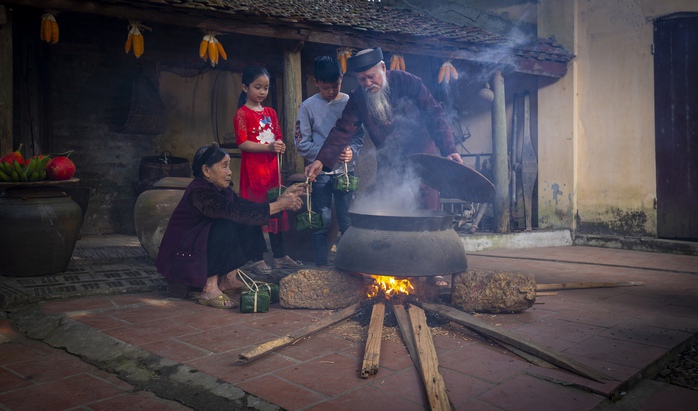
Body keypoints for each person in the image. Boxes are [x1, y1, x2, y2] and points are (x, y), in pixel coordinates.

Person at [304, 47, 462, 286]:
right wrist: (320, 160)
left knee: (426, 209)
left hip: (422, 157)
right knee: (393, 208)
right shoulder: (358, 98)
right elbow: (342, 130)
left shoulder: (408, 82)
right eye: (362, 79)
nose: (368, 83)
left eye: (372, 76)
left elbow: (435, 114)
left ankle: (433, 270)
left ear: (383, 69)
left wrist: (449, 149)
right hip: (389, 160)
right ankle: (398, 264)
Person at [156, 143, 305, 309]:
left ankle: (229, 279)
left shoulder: (222, 190)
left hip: (199, 249)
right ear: (206, 171)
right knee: (225, 222)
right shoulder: (198, 191)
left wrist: (280, 201)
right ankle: (209, 288)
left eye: (229, 166)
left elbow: (246, 208)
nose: (229, 172)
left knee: (250, 218)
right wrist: (279, 205)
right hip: (182, 257)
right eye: (224, 167)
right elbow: (230, 212)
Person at [295, 56, 365, 267]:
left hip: (345, 173)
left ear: (342, 78)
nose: (331, 92)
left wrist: (352, 151)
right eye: (326, 88)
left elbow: (359, 138)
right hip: (320, 175)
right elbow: (301, 143)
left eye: (336, 86)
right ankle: (320, 267)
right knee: (322, 223)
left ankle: (350, 267)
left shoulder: (349, 103)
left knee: (348, 223)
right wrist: (329, 153)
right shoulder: (308, 106)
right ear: (315, 82)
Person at [234, 66, 304, 275]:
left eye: (266, 88)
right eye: (258, 87)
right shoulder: (242, 113)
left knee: (278, 207)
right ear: (245, 87)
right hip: (253, 172)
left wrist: (279, 144)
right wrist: (268, 147)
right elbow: (242, 143)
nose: (262, 92)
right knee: (256, 210)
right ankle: (256, 258)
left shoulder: (271, 113)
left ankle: (280, 255)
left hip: (272, 170)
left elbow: (278, 136)